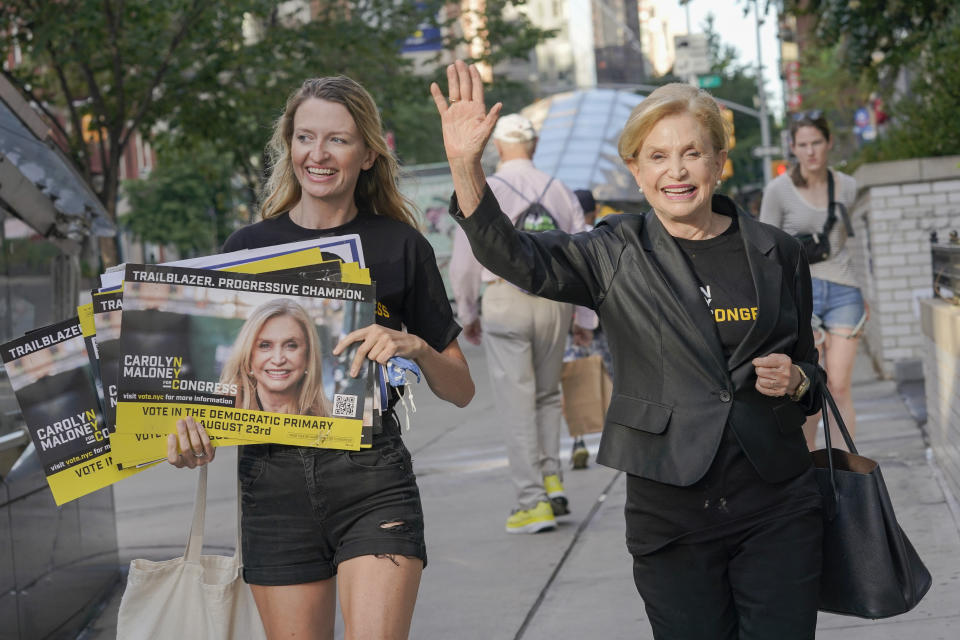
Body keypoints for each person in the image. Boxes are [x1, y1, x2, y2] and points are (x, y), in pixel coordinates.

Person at [432, 60, 824, 638]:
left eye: (692, 153)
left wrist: (797, 381)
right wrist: (467, 166)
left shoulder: (779, 252)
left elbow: (808, 367)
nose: (677, 171)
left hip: (775, 502)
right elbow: (513, 255)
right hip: (671, 509)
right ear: (635, 169)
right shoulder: (613, 250)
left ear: (718, 161)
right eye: (658, 156)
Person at [167, 75, 475, 640]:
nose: (319, 154)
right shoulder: (246, 250)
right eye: (305, 137)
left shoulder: (402, 245)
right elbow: (211, 397)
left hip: (372, 476)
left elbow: (461, 388)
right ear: (289, 146)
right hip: (271, 483)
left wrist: (415, 347)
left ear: (367, 153)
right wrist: (187, 436)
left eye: (337, 140)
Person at [449, 112, 595, 533]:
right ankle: (552, 481)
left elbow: (464, 260)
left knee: (517, 404)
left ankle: (532, 502)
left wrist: (468, 312)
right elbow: (585, 251)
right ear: (533, 146)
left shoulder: (486, 188)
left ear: (496, 146)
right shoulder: (558, 188)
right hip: (555, 302)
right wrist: (583, 317)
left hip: (505, 299)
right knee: (548, 396)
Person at [760, 110, 863, 450]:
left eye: (816, 142)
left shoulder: (847, 186)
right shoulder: (778, 190)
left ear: (829, 142)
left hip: (844, 290)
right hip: (801, 295)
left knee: (840, 386)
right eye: (802, 145)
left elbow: (856, 242)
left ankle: (846, 470)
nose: (810, 151)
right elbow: (765, 250)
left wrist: (866, 296)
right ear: (792, 148)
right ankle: (808, 472)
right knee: (810, 389)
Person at [219, 298, 331, 416]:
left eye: (291, 345)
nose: (278, 360)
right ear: (248, 355)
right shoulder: (216, 410)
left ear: (308, 355)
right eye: (265, 345)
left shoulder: (334, 420)